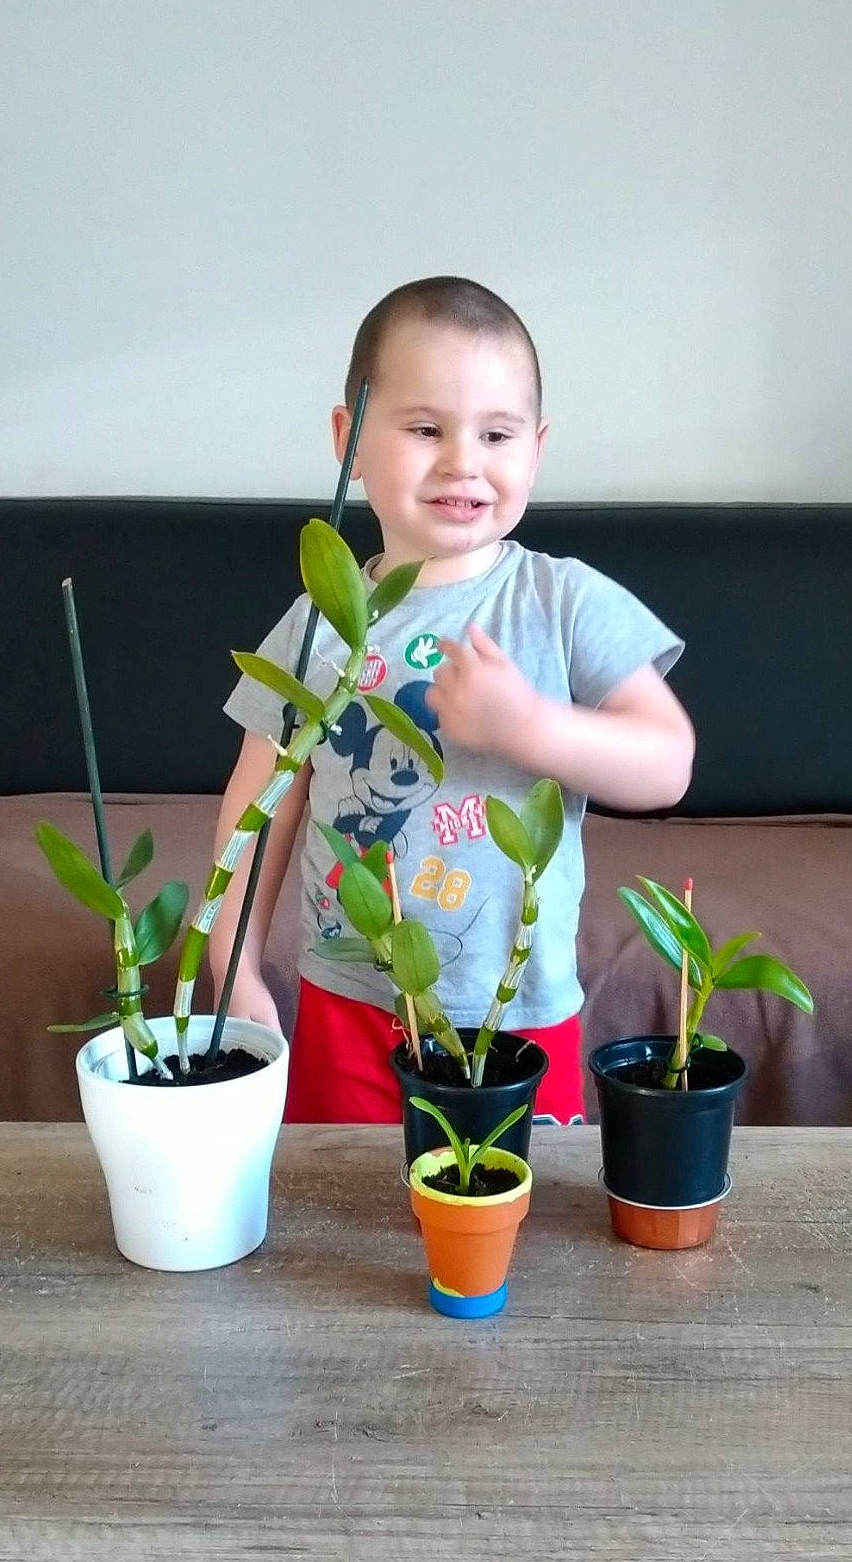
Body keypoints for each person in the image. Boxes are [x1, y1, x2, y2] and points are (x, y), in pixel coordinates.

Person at [213, 276, 694, 1123]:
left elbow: (667, 764)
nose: (463, 461)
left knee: (515, 1203)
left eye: (496, 434)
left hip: (517, 1014)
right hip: (349, 1001)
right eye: (426, 428)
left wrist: (529, 726)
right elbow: (261, 804)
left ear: (535, 450)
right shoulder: (317, 623)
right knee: (343, 1196)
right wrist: (233, 962)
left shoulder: (562, 602)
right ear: (350, 440)